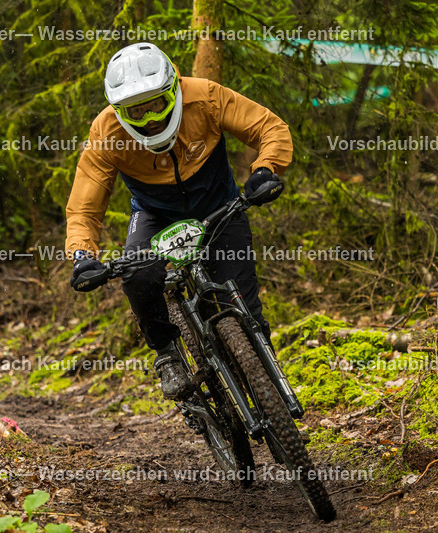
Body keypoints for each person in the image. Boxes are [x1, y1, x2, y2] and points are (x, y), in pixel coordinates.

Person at [66, 42, 292, 399]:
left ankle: (272, 389)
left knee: (245, 307)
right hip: (155, 214)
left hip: (218, 206)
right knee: (138, 274)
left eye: (155, 104)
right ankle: (167, 355)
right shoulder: (106, 132)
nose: (150, 118)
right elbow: (84, 207)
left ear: (173, 89)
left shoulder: (205, 97)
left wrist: (265, 170)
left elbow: (269, 128)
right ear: (119, 111)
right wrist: (82, 255)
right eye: (135, 112)